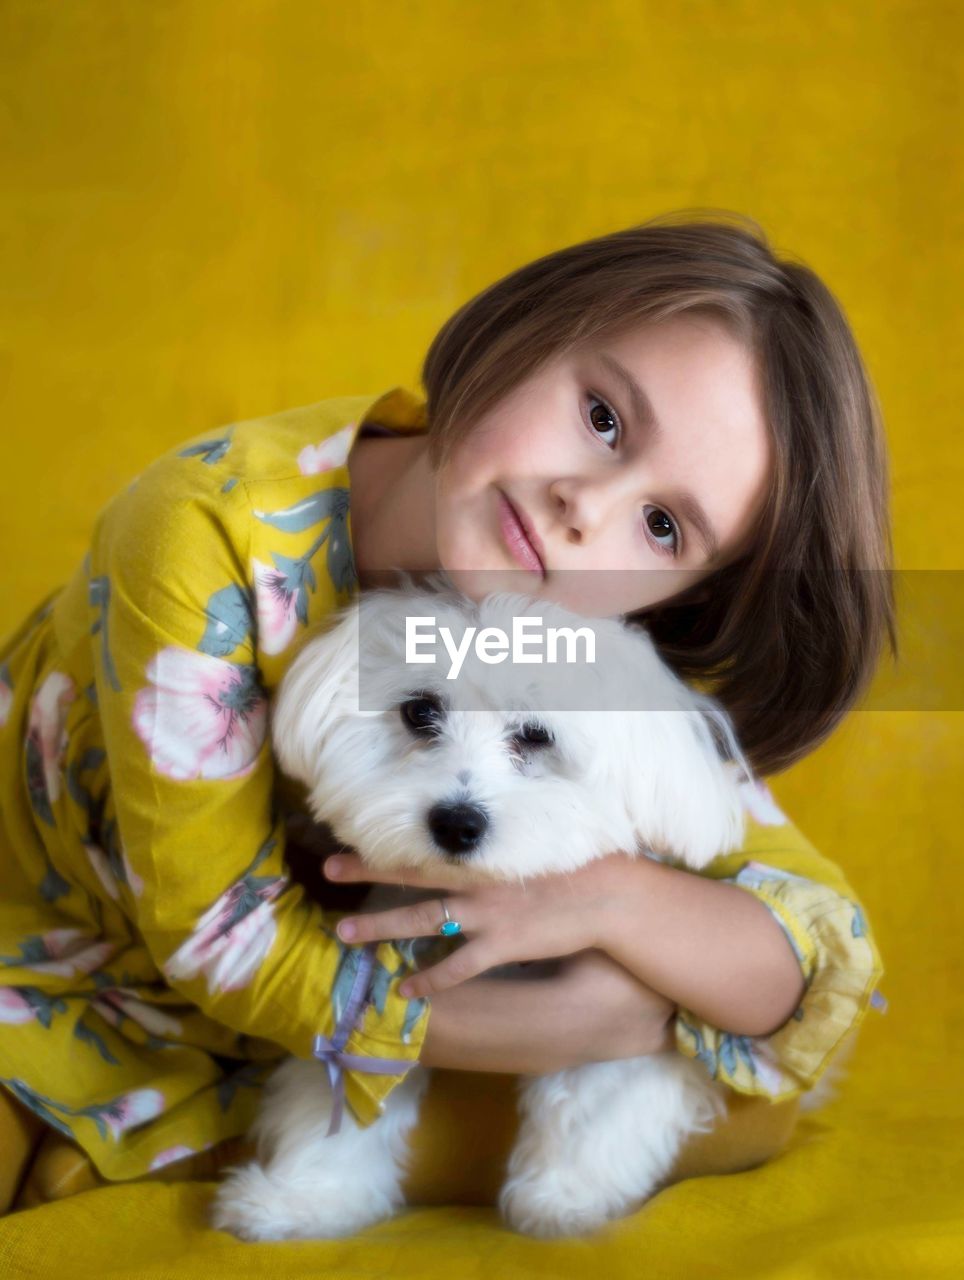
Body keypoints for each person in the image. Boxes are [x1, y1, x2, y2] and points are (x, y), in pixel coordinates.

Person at [0, 212, 891, 1215]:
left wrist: (617, 902)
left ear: (670, 597)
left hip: (352, 988)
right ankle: (162, 1128)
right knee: (698, 1067)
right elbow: (222, 941)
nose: (584, 507)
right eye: (602, 416)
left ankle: (231, 1130)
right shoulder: (197, 532)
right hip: (79, 940)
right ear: (521, 336)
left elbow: (814, 944)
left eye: (660, 524)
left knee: (748, 1097)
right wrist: (604, 1022)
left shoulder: (569, 645)